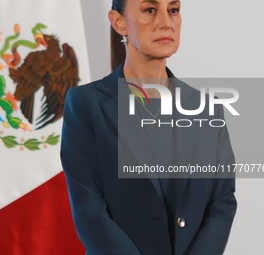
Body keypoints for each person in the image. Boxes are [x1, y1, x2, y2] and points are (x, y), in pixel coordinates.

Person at [60, 0, 237, 254]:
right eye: (150, 10)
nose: (166, 23)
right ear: (118, 22)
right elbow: (89, 211)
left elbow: (222, 201)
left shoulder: (208, 108)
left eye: (173, 10)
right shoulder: (85, 105)